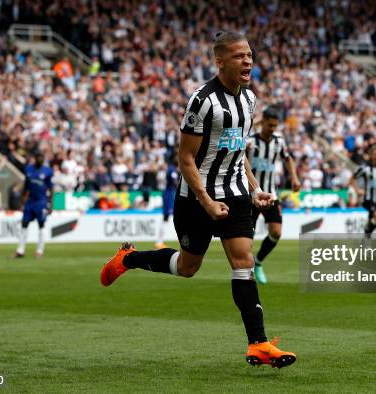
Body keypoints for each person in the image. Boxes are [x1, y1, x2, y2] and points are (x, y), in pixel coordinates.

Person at [100, 31, 296, 368]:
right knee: (188, 267)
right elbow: (186, 158)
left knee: (243, 262)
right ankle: (128, 259)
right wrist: (205, 200)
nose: (247, 60)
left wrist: (253, 187)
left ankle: (259, 344)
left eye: (249, 54)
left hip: (235, 195)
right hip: (196, 198)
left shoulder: (249, 100)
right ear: (220, 62)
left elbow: (238, 150)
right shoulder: (203, 101)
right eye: (238, 56)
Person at [247, 106, 300, 284]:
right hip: (251, 195)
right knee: (247, 237)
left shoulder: (278, 141)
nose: (272, 129)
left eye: (275, 126)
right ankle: (245, 270)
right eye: (269, 125)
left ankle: (258, 262)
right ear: (262, 123)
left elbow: (288, 158)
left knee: (276, 232)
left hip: (271, 194)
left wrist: (294, 177)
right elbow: (240, 162)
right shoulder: (251, 141)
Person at [14, 152, 54, 258]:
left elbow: (51, 188)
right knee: (24, 223)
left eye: (42, 157)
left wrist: (50, 204)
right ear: (35, 158)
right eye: (38, 157)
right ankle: (20, 250)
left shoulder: (47, 171)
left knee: (41, 225)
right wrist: (22, 199)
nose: (40, 159)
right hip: (30, 201)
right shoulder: (29, 169)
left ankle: (39, 251)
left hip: (41, 202)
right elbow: (26, 185)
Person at [155, 157, 179, 249]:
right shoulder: (172, 170)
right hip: (169, 195)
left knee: (166, 217)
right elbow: (175, 182)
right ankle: (159, 241)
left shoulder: (170, 170)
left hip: (168, 194)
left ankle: (160, 241)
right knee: (166, 217)